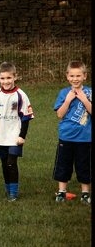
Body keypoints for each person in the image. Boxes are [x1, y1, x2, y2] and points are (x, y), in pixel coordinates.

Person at [0, 62, 34, 202]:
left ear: (15, 77)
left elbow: (26, 118)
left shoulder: (21, 95)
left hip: (14, 136)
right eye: (3, 78)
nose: (6, 81)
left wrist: (22, 136)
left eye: (9, 78)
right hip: (0, 136)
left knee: (11, 163)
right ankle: (8, 189)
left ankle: (13, 193)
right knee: (4, 163)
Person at [53, 60, 92, 204]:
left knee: (84, 165)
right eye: (72, 76)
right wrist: (68, 100)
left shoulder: (89, 92)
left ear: (84, 76)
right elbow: (60, 114)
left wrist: (84, 100)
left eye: (78, 76)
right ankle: (62, 191)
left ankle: (85, 193)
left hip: (85, 138)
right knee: (64, 165)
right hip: (67, 137)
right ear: (67, 76)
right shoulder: (64, 93)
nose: (75, 79)